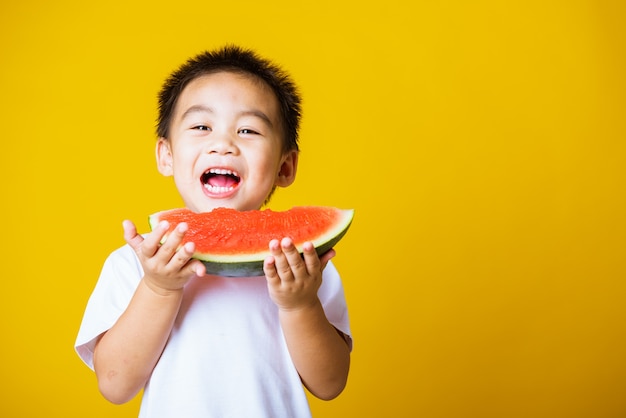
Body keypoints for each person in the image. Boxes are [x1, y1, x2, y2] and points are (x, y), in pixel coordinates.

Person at [75, 45, 352, 418]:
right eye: (201, 127)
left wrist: (299, 304)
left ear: (285, 166)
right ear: (166, 155)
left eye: (248, 130)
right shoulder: (135, 262)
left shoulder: (304, 265)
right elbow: (114, 384)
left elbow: (330, 384)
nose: (223, 144)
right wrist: (158, 287)